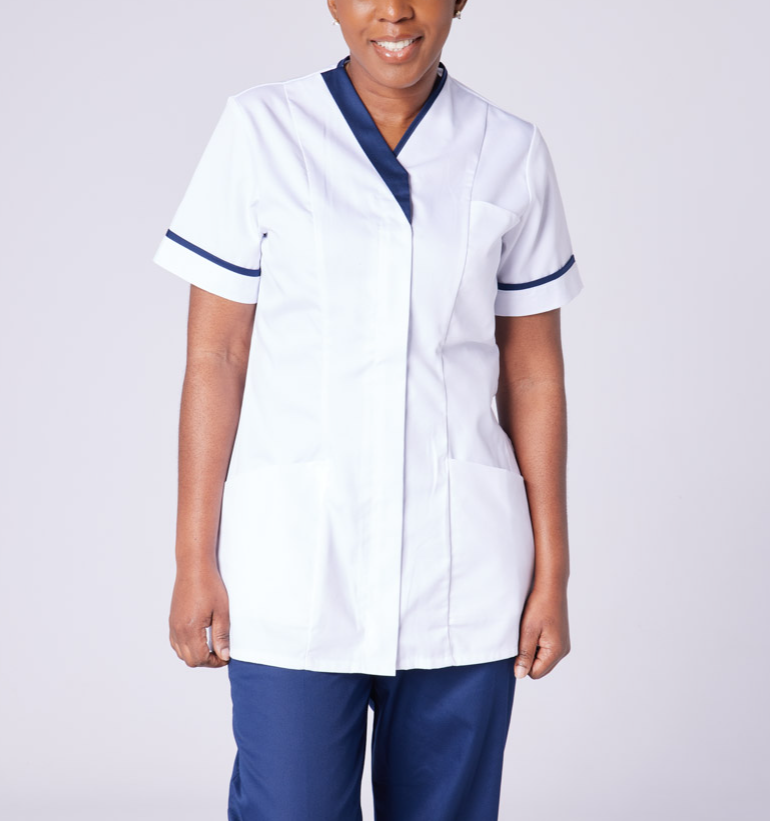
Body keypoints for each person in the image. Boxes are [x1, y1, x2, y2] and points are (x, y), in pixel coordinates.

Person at [154, 1, 584, 818]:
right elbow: (216, 357)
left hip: (460, 564)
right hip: (296, 559)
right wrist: (192, 557)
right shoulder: (261, 130)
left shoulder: (510, 151)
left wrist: (553, 572)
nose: (394, 10)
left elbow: (533, 375)